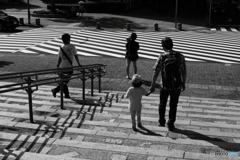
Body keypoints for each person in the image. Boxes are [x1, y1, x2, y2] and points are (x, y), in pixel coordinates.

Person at [148, 37, 187, 131]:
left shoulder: (162, 56)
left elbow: (156, 72)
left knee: (162, 103)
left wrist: (152, 85)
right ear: (172, 44)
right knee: (174, 105)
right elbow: (183, 71)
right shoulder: (180, 56)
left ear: (163, 46)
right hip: (176, 85)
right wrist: (183, 83)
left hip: (164, 85)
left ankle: (161, 121)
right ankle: (171, 123)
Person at [51, 33, 82, 99]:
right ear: (67, 40)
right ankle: (56, 90)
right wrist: (79, 64)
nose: (70, 40)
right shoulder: (72, 46)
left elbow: (59, 58)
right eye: (69, 39)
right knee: (65, 82)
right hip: (69, 68)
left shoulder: (61, 48)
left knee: (64, 81)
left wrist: (57, 66)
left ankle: (66, 94)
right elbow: (75, 55)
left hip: (62, 68)